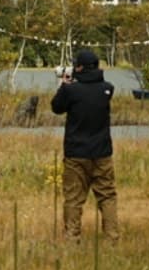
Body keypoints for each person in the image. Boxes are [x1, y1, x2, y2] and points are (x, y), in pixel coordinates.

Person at [49, 48, 118, 238]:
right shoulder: (107, 89)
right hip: (102, 152)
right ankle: (112, 235)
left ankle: (72, 235)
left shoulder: (71, 90)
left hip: (76, 152)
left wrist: (64, 85)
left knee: (73, 197)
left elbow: (56, 107)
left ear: (79, 67)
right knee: (107, 195)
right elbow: (97, 87)